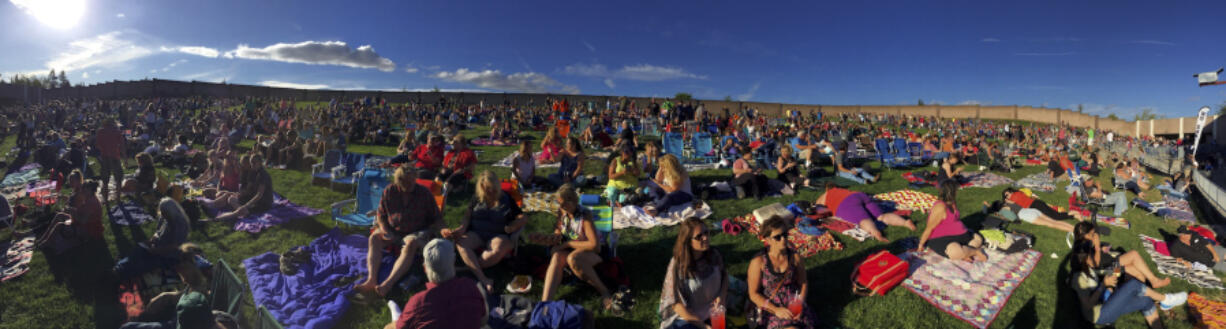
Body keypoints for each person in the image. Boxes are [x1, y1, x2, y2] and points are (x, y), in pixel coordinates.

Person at [357, 167, 443, 296]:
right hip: (393, 229)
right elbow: (381, 215)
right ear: (398, 180)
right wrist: (385, 230)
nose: (410, 185)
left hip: (416, 231)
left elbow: (437, 217)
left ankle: (387, 284)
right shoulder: (390, 191)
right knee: (374, 238)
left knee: (410, 244)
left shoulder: (424, 193)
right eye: (406, 183)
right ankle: (371, 280)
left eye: (413, 181)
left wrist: (444, 230)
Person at [443, 171, 528, 291]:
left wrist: (514, 226)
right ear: (481, 188)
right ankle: (483, 278)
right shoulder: (477, 198)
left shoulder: (505, 198)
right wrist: (461, 229)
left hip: (498, 235)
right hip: (477, 233)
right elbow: (467, 216)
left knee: (495, 252)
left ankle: (466, 268)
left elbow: (522, 217)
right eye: (487, 189)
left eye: (493, 188)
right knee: (460, 242)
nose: (490, 192)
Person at [1069, 242, 1187, 327]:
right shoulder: (1078, 278)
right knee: (1133, 285)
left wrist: (1121, 270)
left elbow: (1107, 272)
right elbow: (1088, 305)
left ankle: (1163, 307)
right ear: (1085, 260)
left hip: (1108, 302)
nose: (1095, 257)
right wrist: (1103, 285)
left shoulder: (1090, 269)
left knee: (1146, 302)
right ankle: (1165, 299)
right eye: (1092, 255)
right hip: (1100, 315)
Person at [388, 239, 487, 329]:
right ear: (453, 261)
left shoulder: (418, 303)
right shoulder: (469, 286)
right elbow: (482, 319)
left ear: (425, 268)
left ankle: (395, 311)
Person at [541, 184, 612, 310]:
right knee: (557, 256)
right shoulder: (562, 212)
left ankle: (604, 291)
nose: (560, 207)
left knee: (573, 258)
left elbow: (595, 246)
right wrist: (552, 239)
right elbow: (559, 231)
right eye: (559, 204)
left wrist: (567, 244)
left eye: (563, 204)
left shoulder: (585, 216)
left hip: (594, 253)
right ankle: (545, 304)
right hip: (574, 249)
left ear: (573, 201)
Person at [746, 216, 817, 329]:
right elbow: (753, 294)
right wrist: (776, 310)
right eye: (777, 237)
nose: (783, 239)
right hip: (770, 306)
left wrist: (800, 304)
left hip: (794, 303)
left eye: (785, 234)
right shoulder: (759, 262)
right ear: (767, 239)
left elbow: (803, 283)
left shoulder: (795, 257)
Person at [659, 218, 727, 329]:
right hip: (689, 316)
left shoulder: (714, 254)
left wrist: (722, 296)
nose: (705, 238)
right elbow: (675, 303)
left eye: (706, 232)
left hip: (714, 312)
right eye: (699, 236)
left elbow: (725, 275)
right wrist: (704, 326)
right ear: (688, 241)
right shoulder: (678, 265)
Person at [1073, 222, 1172, 288]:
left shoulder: (1083, 244)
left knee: (1135, 269)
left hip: (1109, 266)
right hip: (1107, 270)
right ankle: (1154, 281)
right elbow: (1095, 265)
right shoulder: (1082, 249)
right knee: (1134, 254)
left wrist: (1100, 249)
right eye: (1091, 234)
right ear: (1084, 235)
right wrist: (1098, 248)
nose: (1094, 235)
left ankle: (1144, 294)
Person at [115, 198, 192, 281]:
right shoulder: (164, 218)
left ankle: (121, 273)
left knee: (144, 264)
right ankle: (118, 268)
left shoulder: (180, 224)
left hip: (170, 255)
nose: (163, 216)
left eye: (165, 214)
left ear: (172, 212)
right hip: (156, 247)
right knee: (138, 250)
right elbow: (158, 232)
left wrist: (157, 250)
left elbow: (175, 246)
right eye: (163, 213)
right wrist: (152, 240)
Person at [816, 183, 915, 242]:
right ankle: (905, 222)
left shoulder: (826, 195)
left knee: (863, 219)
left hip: (845, 204)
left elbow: (817, 207)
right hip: (859, 195)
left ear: (827, 189)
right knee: (882, 216)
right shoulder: (842, 190)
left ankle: (875, 232)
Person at [917, 180, 986, 261]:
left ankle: (966, 252)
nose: (957, 192)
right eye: (956, 190)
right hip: (942, 238)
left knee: (978, 239)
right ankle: (975, 252)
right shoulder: (940, 207)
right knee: (955, 251)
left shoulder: (952, 202)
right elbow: (929, 228)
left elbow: (954, 220)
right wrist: (921, 245)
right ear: (951, 192)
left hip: (962, 236)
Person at [212, 154, 274, 221]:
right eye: (251, 162)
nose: (252, 164)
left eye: (254, 162)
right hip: (253, 198)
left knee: (238, 210)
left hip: (263, 202)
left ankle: (216, 219)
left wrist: (246, 205)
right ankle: (244, 212)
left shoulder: (263, 175)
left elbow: (259, 195)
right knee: (232, 199)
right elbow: (249, 189)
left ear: (260, 163)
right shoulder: (253, 172)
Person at [96, 118, 127, 203]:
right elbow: (122, 146)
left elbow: (98, 145)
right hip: (115, 157)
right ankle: (118, 199)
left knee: (105, 181)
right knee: (118, 179)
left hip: (105, 157)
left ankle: (105, 200)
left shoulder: (100, 131)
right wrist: (125, 159)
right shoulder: (117, 131)